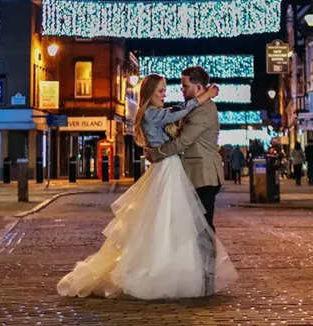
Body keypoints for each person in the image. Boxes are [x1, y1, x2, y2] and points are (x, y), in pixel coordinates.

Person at [57, 72, 235, 299]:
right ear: (150, 93)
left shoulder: (203, 110)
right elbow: (177, 119)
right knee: (171, 223)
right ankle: (180, 273)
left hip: (198, 173)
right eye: (162, 90)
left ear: (198, 88)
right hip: (174, 170)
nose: (174, 91)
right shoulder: (154, 113)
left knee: (197, 227)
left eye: (184, 85)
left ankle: (200, 276)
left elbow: (182, 139)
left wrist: (156, 153)